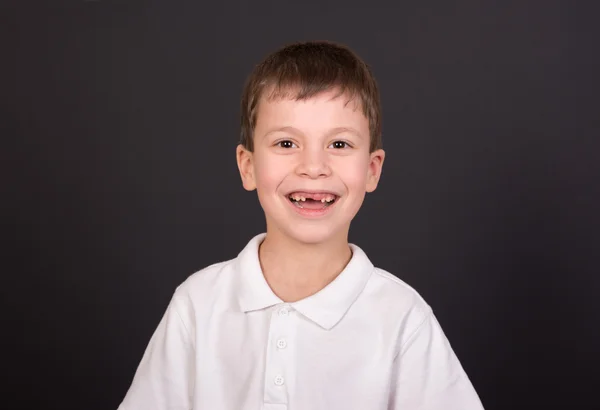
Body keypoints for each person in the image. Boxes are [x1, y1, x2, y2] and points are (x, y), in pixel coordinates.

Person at [118, 41, 484, 410]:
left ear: (372, 169)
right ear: (248, 166)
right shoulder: (197, 306)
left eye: (339, 143)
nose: (313, 166)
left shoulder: (403, 319)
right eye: (287, 142)